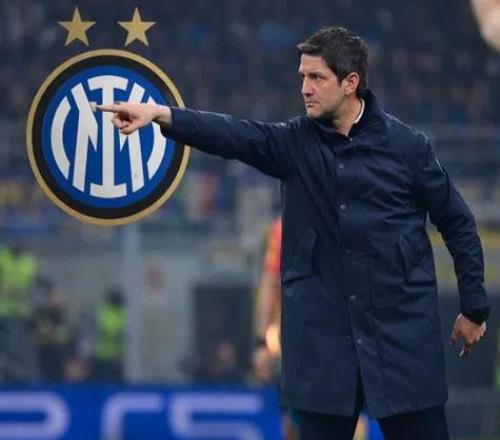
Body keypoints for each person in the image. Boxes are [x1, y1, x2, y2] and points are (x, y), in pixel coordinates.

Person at [99, 27, 489, 440]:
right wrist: (162, 115)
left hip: (402, 348)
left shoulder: (408, 148)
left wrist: (474, 306)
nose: (305, 88)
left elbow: (458, 222)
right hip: (324, 358)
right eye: (303, 77)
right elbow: (234, 135)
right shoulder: (293, 144)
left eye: (316, 77)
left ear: (350, 82)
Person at [91, 287, 126, 382]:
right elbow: (108, 331)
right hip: (106, 355)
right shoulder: (110, 313)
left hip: (111, 355)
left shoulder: (106, 312)